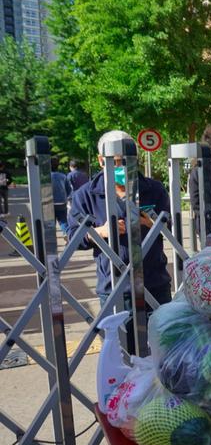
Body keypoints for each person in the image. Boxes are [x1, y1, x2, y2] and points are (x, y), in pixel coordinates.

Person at [67, 131, 172, 323]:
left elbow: (171, 227)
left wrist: (151, 223)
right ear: (101, 161)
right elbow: (74, 237)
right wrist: (100, 232)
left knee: (161, 347)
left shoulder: (154, 189)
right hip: (113, 287)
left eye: (127, 160)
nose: (122, 167)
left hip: (155, 284)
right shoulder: (86, 195)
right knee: (120, 349)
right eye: (115, 161)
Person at [51, 158, 72, 234]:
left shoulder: (45, 177)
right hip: (62, 202)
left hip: (49, 202)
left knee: (50, 223)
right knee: (63, 221)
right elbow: (69, 190)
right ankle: (68, 237)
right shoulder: (63, 176)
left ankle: (51, 239)